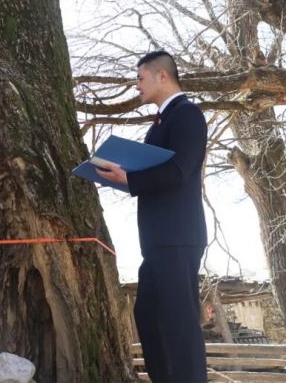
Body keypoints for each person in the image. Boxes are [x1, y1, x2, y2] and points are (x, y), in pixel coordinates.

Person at [96, 50, 208, 382]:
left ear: (163, 76)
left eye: (140, 77)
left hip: (178, 237)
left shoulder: (187, 115)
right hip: (158, 241)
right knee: (148, 314)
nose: (137, 85)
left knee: (179, 325)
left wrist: (130, 179)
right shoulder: (161, 121)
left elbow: (180, 171)